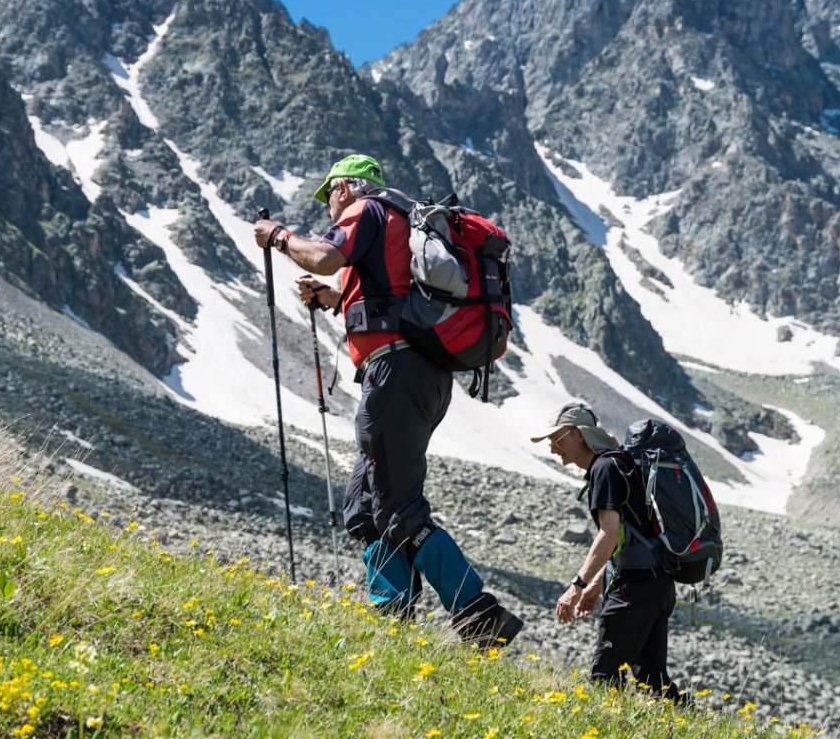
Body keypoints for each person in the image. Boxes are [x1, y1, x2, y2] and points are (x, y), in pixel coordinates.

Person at [253, 154, 522, 647]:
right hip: (416, 374)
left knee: (399, 508)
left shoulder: (369, 210)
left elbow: (326, 256)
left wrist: (279, 236)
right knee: (364, 508)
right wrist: (332, 301)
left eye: (330, 193)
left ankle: (480, 614)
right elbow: (391, 302)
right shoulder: (396, 227)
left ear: (348, 187)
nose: (330, 206)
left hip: (397, 375)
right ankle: (390, 625)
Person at [531, 401, 684, 701]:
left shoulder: (604, 469)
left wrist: (576, 586)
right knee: (654, 683)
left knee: (604, 677)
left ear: (578, 434)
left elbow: (609, 534)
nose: (553, 448)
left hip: (634, 588)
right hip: (656, 583)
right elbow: (630, 535)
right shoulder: (618, 464)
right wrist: (597, 584)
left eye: (557, 439)